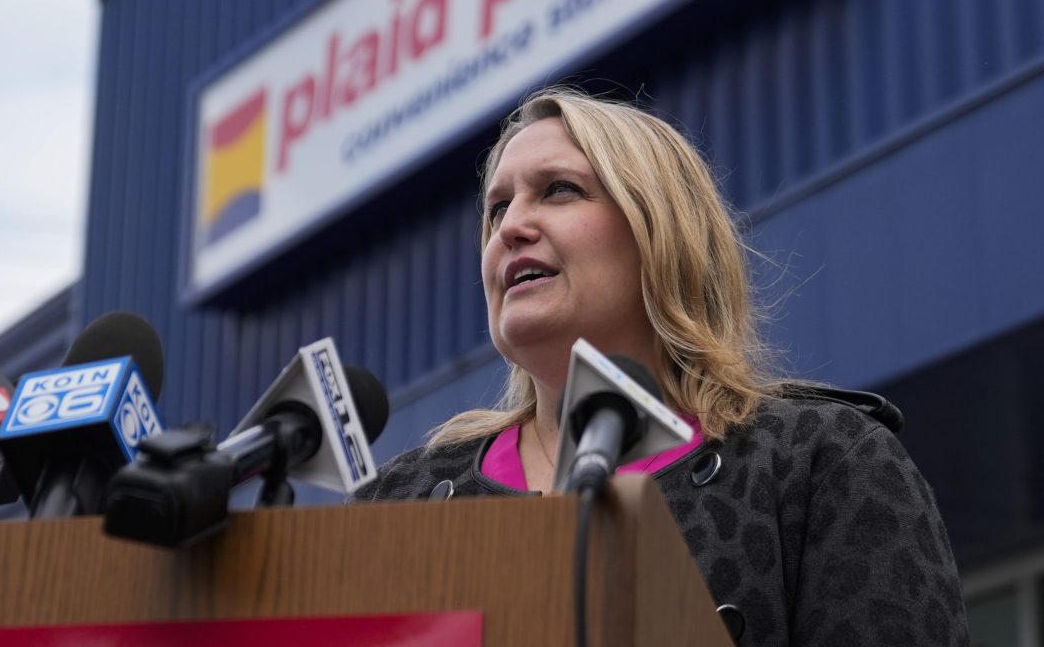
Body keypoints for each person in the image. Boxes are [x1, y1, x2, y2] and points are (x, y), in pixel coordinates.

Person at [351, 88, 969, 647]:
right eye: (496, 209)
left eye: (559, 190)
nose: (510, 227)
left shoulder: (816, 462)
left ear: (660, 231)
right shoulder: (397, 504)